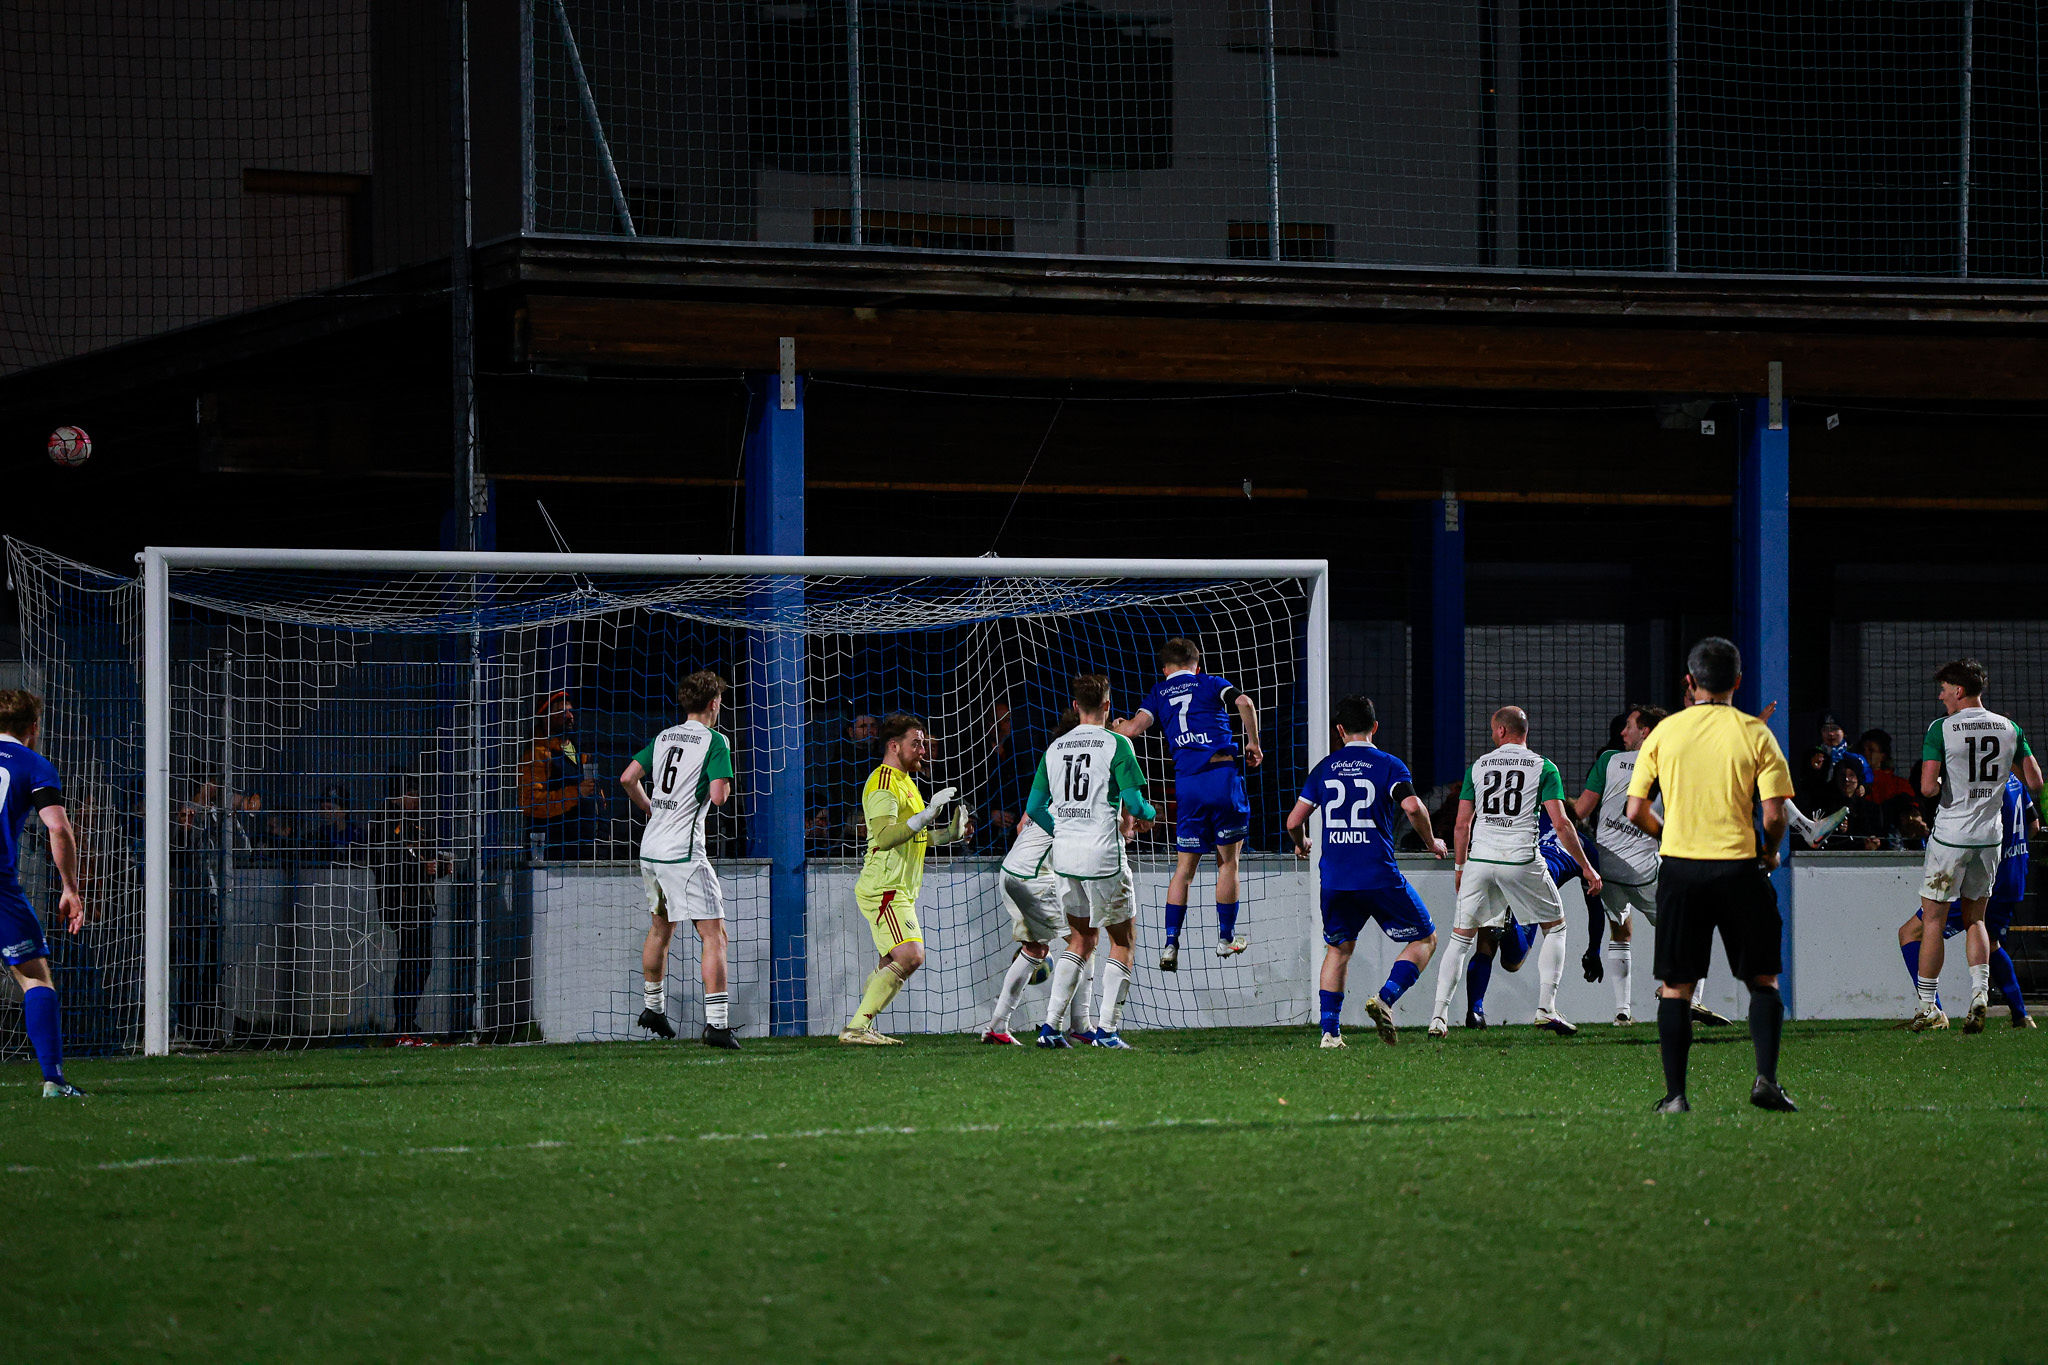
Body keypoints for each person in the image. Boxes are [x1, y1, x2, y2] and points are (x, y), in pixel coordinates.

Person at [1625, 636, 1796, 1113]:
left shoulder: (1665, 733)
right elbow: (1774, 815)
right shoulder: (1755, 733)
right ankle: (1765, 1081)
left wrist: (1670, 835)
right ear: (1737, 681)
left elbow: (1635, 809)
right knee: (1762, 978)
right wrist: (1769, 852)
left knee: (1676, 985)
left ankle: (1676, 1096)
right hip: (1740, 868)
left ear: (1690, 681)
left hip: (1681, 870)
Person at [1284, 695, 1446, 1047]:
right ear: (1375, 726)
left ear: (1340, 730)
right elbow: (1413, 807)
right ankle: (1385, 998)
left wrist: (1301, 842)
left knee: (1338, 950)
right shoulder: (1389, 765)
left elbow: (1293, 821)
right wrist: (1431, 841)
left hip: (1336, 880)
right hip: (1378, 875)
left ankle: (1330, 1033)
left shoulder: (1325, 768)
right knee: (1425, 938)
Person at [1428, 706, 1599, 1038]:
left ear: (1502, 731)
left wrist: (1460, 867)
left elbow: (1462, 826)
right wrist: (1587, 867)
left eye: (1493, 728)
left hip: (1480, 861)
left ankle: (1438, 1017)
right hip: (1520, 861)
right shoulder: (1543, 767)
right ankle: (1546, 1008)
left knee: (1460, 939)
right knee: (1556, 927)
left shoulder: (1478, 767)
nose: (1492, 733)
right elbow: (1563, 825)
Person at [1908, 658, 2045, 1033]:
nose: (1941, 697)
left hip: (1951, 837)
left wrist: (1948, 784)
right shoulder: (2010, 727)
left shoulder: (1941, 728)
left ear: (1959, 690)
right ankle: (1980, 995)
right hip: (1990, 839)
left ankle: (1927, 1006)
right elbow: (2035, 781)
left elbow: (1927, 788)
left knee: (1932, 920)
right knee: (1977, 919)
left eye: (1943, 690)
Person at [1116, 637, 1262, 969]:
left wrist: (1117, 726)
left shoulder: (1158, 692)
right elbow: (1245, 702)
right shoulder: (1210, 683)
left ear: (1164, 669)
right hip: (1222, 778)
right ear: (1197, 665)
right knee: (1228, 864)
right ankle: (1225, 939)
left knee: (1184, 870)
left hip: (1188, 786)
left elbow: (1133, 730)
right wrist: (1253, 743)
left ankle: (1170, 945)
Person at [1032, 674, 1156, 1049]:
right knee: (1123, 941)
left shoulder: (1055, 749)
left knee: (1082, 939)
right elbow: (1135, 805)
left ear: (1075, 706)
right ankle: (1107, 1031)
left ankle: (1050, 1028)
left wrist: (1065, 830)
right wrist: (1150, 814)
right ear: (1107, 705)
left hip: (1065, 858)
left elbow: (1035, 808)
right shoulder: (1117, 743)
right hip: (1103, 857)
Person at [621, 671, 739, 1049]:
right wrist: (723, 782)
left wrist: (650, 809)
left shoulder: (664, 737)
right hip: (683, 854)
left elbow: (627, 778)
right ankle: (717, 1025)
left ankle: (653, 1007)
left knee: (661, 928)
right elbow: (718, 797)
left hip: (651, 850)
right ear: (714, 703)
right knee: (714, 934)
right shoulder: (715, 741)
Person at [839, 713, 971, 1044]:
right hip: (885, 887)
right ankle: (856, 1028)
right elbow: (885, 837)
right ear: (894, 746)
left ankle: (861, 1027)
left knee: (891, 960)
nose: (923, 750)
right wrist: (925, 816)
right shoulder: (883, 783)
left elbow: (915, 837)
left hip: (900, 887)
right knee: (911, 955)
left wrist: (949, 834)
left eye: (923, 744)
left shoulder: (906, 782)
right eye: (917, 743)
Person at [982, 707, 1092, 1045]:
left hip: (1011, 871)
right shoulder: (1081, 792)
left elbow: (1021, 825)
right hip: (1033, 875)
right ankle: (1078, 1025)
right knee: (1084, 940)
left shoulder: (1053, 783)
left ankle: (997, 1027)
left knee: (1035, 948)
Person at [0, 690, 88, 1097]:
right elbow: (57, 827)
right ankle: (53, 1080)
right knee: (35, 979)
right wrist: (70, 888)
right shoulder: (34, 764)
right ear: (32, 729)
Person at [1896, 772, 2035, 1028]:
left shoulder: (1983, 784)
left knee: (1911, 933)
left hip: (1988, 876)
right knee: (1990, 941)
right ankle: (2021, 1015)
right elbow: (2033, 826)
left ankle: (1933, 1011)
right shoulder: (2014, 780)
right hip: (2014, 875)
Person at [371, 773, 447, 1045]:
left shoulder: (418, 824)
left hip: (421, 902)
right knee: (411, 960)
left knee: (422, 962)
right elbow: (386, 862)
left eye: (417, 793)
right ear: (397, 796)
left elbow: (428, 856)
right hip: (401, 903)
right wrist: (420, 867)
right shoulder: (384, 822)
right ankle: (402, 1023)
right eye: (410, 794)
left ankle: (407, 1019)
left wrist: (439, 866)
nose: (416, 799)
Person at [520, 690, 600, 860]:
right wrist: (576, 793)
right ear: (545, 717)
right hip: (552, 849)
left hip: (584, 846)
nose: (570, 716)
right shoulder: (537, 753)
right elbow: (530, 802)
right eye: (562, 712)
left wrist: (603, 827)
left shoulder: (581, 751)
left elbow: (596, 794)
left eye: (570, 711)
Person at [1811, 761, 1887, 850]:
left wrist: (1874, 842)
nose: (1846, 779)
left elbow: (1880, 838)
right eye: (1842, 775)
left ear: (1858, 779)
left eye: (1851, 775)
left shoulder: (1871, 809)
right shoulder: (1824, 805)